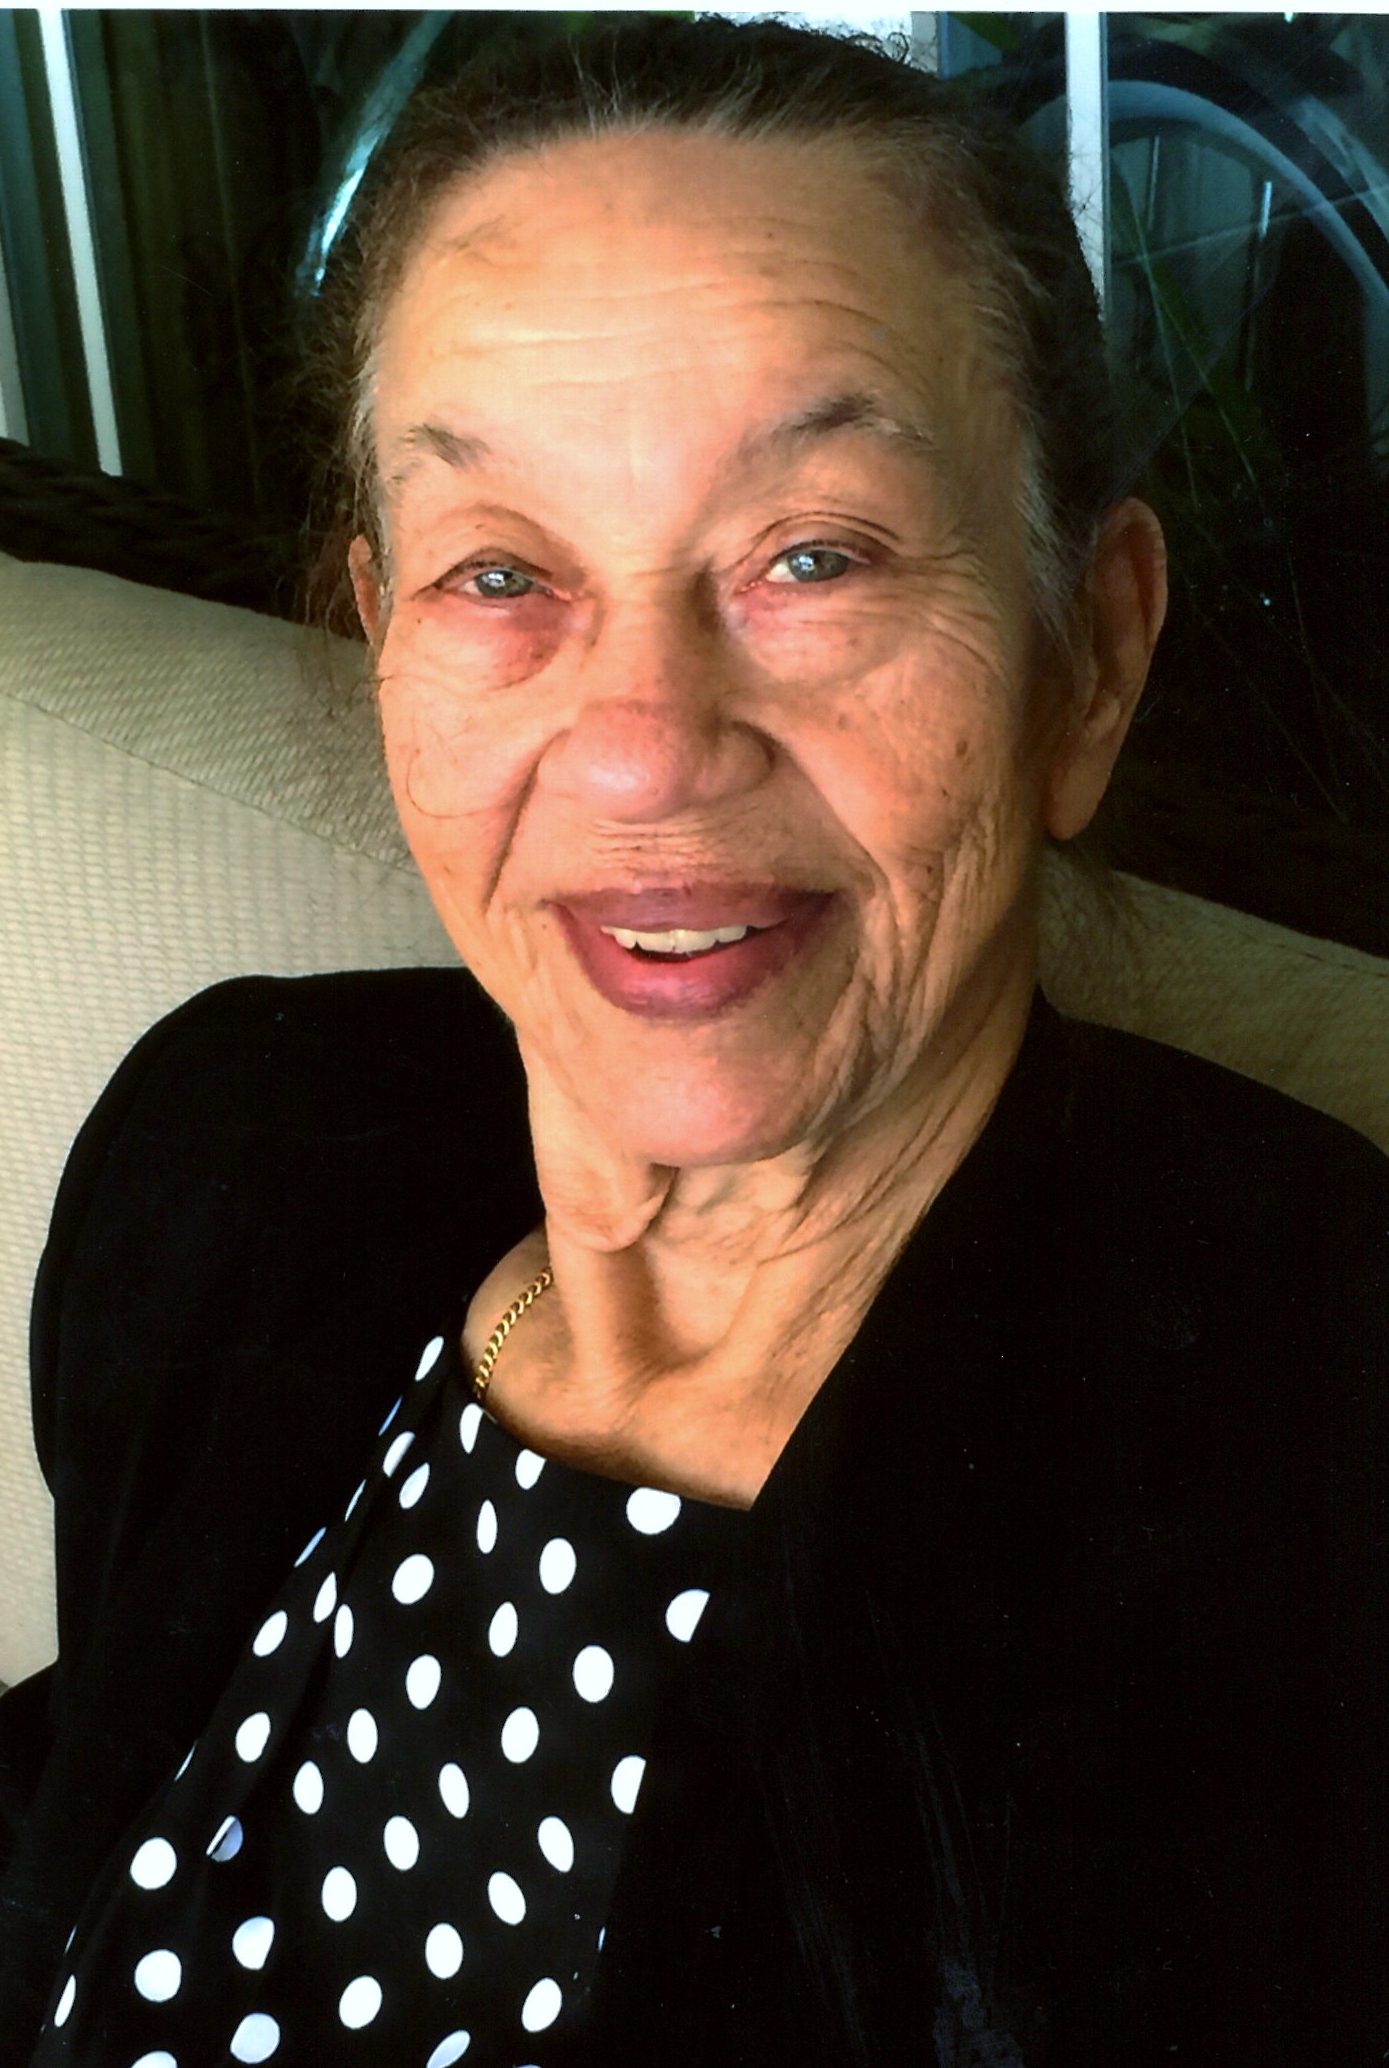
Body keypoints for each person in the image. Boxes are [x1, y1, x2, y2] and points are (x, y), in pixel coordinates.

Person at [1, 16, 1385, 2066]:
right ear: (379, 637)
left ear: (1085, 658)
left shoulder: (1315, 1457)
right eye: (499, 573)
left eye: (811, 555)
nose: (645, 749)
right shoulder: (236, 1152)